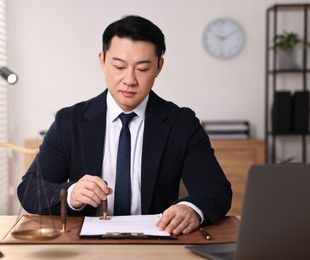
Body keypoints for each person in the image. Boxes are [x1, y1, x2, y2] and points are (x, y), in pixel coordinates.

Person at [17, 15, 232, 236]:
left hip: (157, 242)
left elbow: (216, 189)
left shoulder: (182, 123)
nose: (129, 80)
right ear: (102, 61)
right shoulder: (69, 121)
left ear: (159, 67)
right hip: (85, 245)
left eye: (142, 69)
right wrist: (70, 193)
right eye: (119, 66)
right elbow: (30, 189)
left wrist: (191, 208)